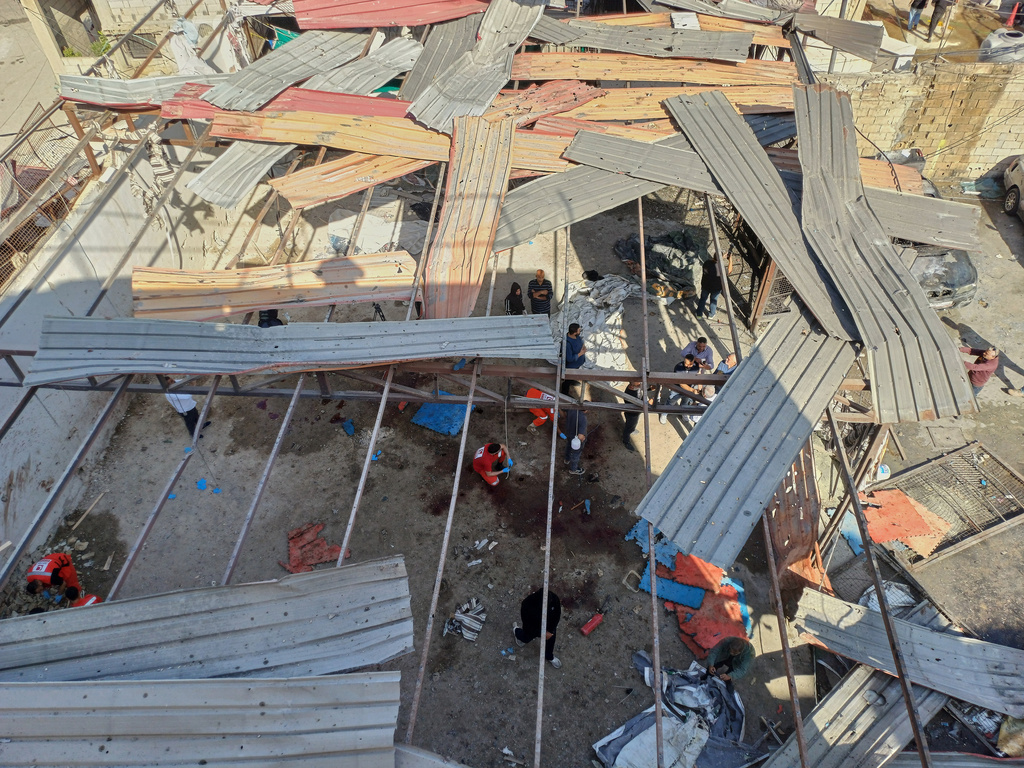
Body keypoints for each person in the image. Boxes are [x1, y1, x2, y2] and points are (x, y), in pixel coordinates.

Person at [513, 588, 562, 669]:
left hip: (549, 627)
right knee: (525, 638)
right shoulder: (527, 604)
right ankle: (516, 631)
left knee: (550, 642)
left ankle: (549, 656)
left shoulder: (553, 599)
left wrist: (551, 631)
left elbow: (557, 615)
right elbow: (528, 625)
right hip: (534, 628)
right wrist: (541, 633)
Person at [660, 354, 701, 424]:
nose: (687, 366)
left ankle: (683, 412)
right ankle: (664, 413)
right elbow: (681, 384)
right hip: (677, 389)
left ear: (693, 362)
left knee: (685, 402)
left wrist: (700, 387)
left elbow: (699, 376)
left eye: (690, 364)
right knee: (671, 402)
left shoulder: (696, 366)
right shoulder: (679, 367)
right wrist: (692, 390)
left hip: (689, 389)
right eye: (686, 363)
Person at [696, 253, 732, 320]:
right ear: (720, 258)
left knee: (703, 299)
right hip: (716, 289)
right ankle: (711, 315)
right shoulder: (721, 268)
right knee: (713, 300)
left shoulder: (707, 263)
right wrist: (730, 260)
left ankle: (699, 315)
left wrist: (721, 257)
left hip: (705, 285)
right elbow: (729, 271)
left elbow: (714, 262)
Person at [562, 323, 587, 396]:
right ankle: (564, 392)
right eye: (579, 330)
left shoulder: (576, 336)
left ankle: (571, 381)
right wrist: (581, 353)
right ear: (574, 332)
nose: (580, 331)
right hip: (572, 366)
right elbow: (569, 358)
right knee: (568, 379)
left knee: (572, 376)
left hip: (577, 363)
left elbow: (580, 340)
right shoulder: (567, 344)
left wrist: (583, 345)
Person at [564, 407, 587, 476]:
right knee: (576, 453)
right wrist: (582, 439)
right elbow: (580, 436)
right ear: (586, 410)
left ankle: (567, 459)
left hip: (569, 434)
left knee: (568, 446)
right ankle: (573, 469)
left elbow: (564, 413)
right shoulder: (582, 418)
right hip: (575, 439)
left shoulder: (571, 409)